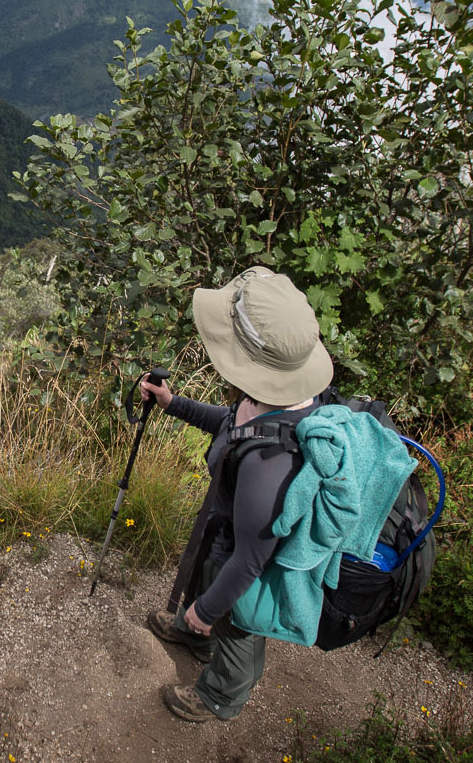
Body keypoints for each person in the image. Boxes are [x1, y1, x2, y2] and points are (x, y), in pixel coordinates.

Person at [138, 266, 333, 723]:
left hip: (247, 562)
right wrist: (176, 405)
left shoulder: (272, 466)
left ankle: (221, 694)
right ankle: (197, 633)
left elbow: (251, 562)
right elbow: (235, 424)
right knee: (213, 577)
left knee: (239, 621)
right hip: (227, 536)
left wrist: (207, 610)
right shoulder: (279, 396)